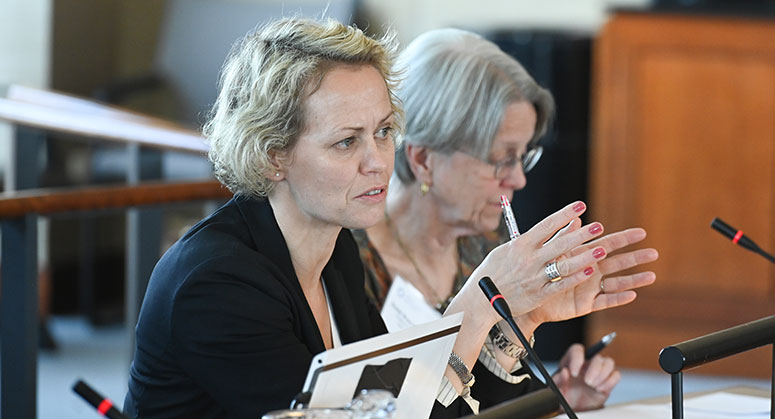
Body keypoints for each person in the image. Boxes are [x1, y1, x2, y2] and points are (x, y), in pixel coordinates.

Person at [124, 17, 614, 418]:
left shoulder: (335, 249)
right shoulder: (217, 285)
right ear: (273, 155)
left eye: (383, 131)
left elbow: (417, 411)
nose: (379, 161)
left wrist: (518, 316)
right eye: (346, 142)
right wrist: (479, 302)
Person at [354, 28, 659, 412]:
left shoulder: (483, 242)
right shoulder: (347, 263)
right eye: (502, 159)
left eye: (523, 156)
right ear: (423, 160)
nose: (518, 179)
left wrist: (552, 398)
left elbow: (483, 402)